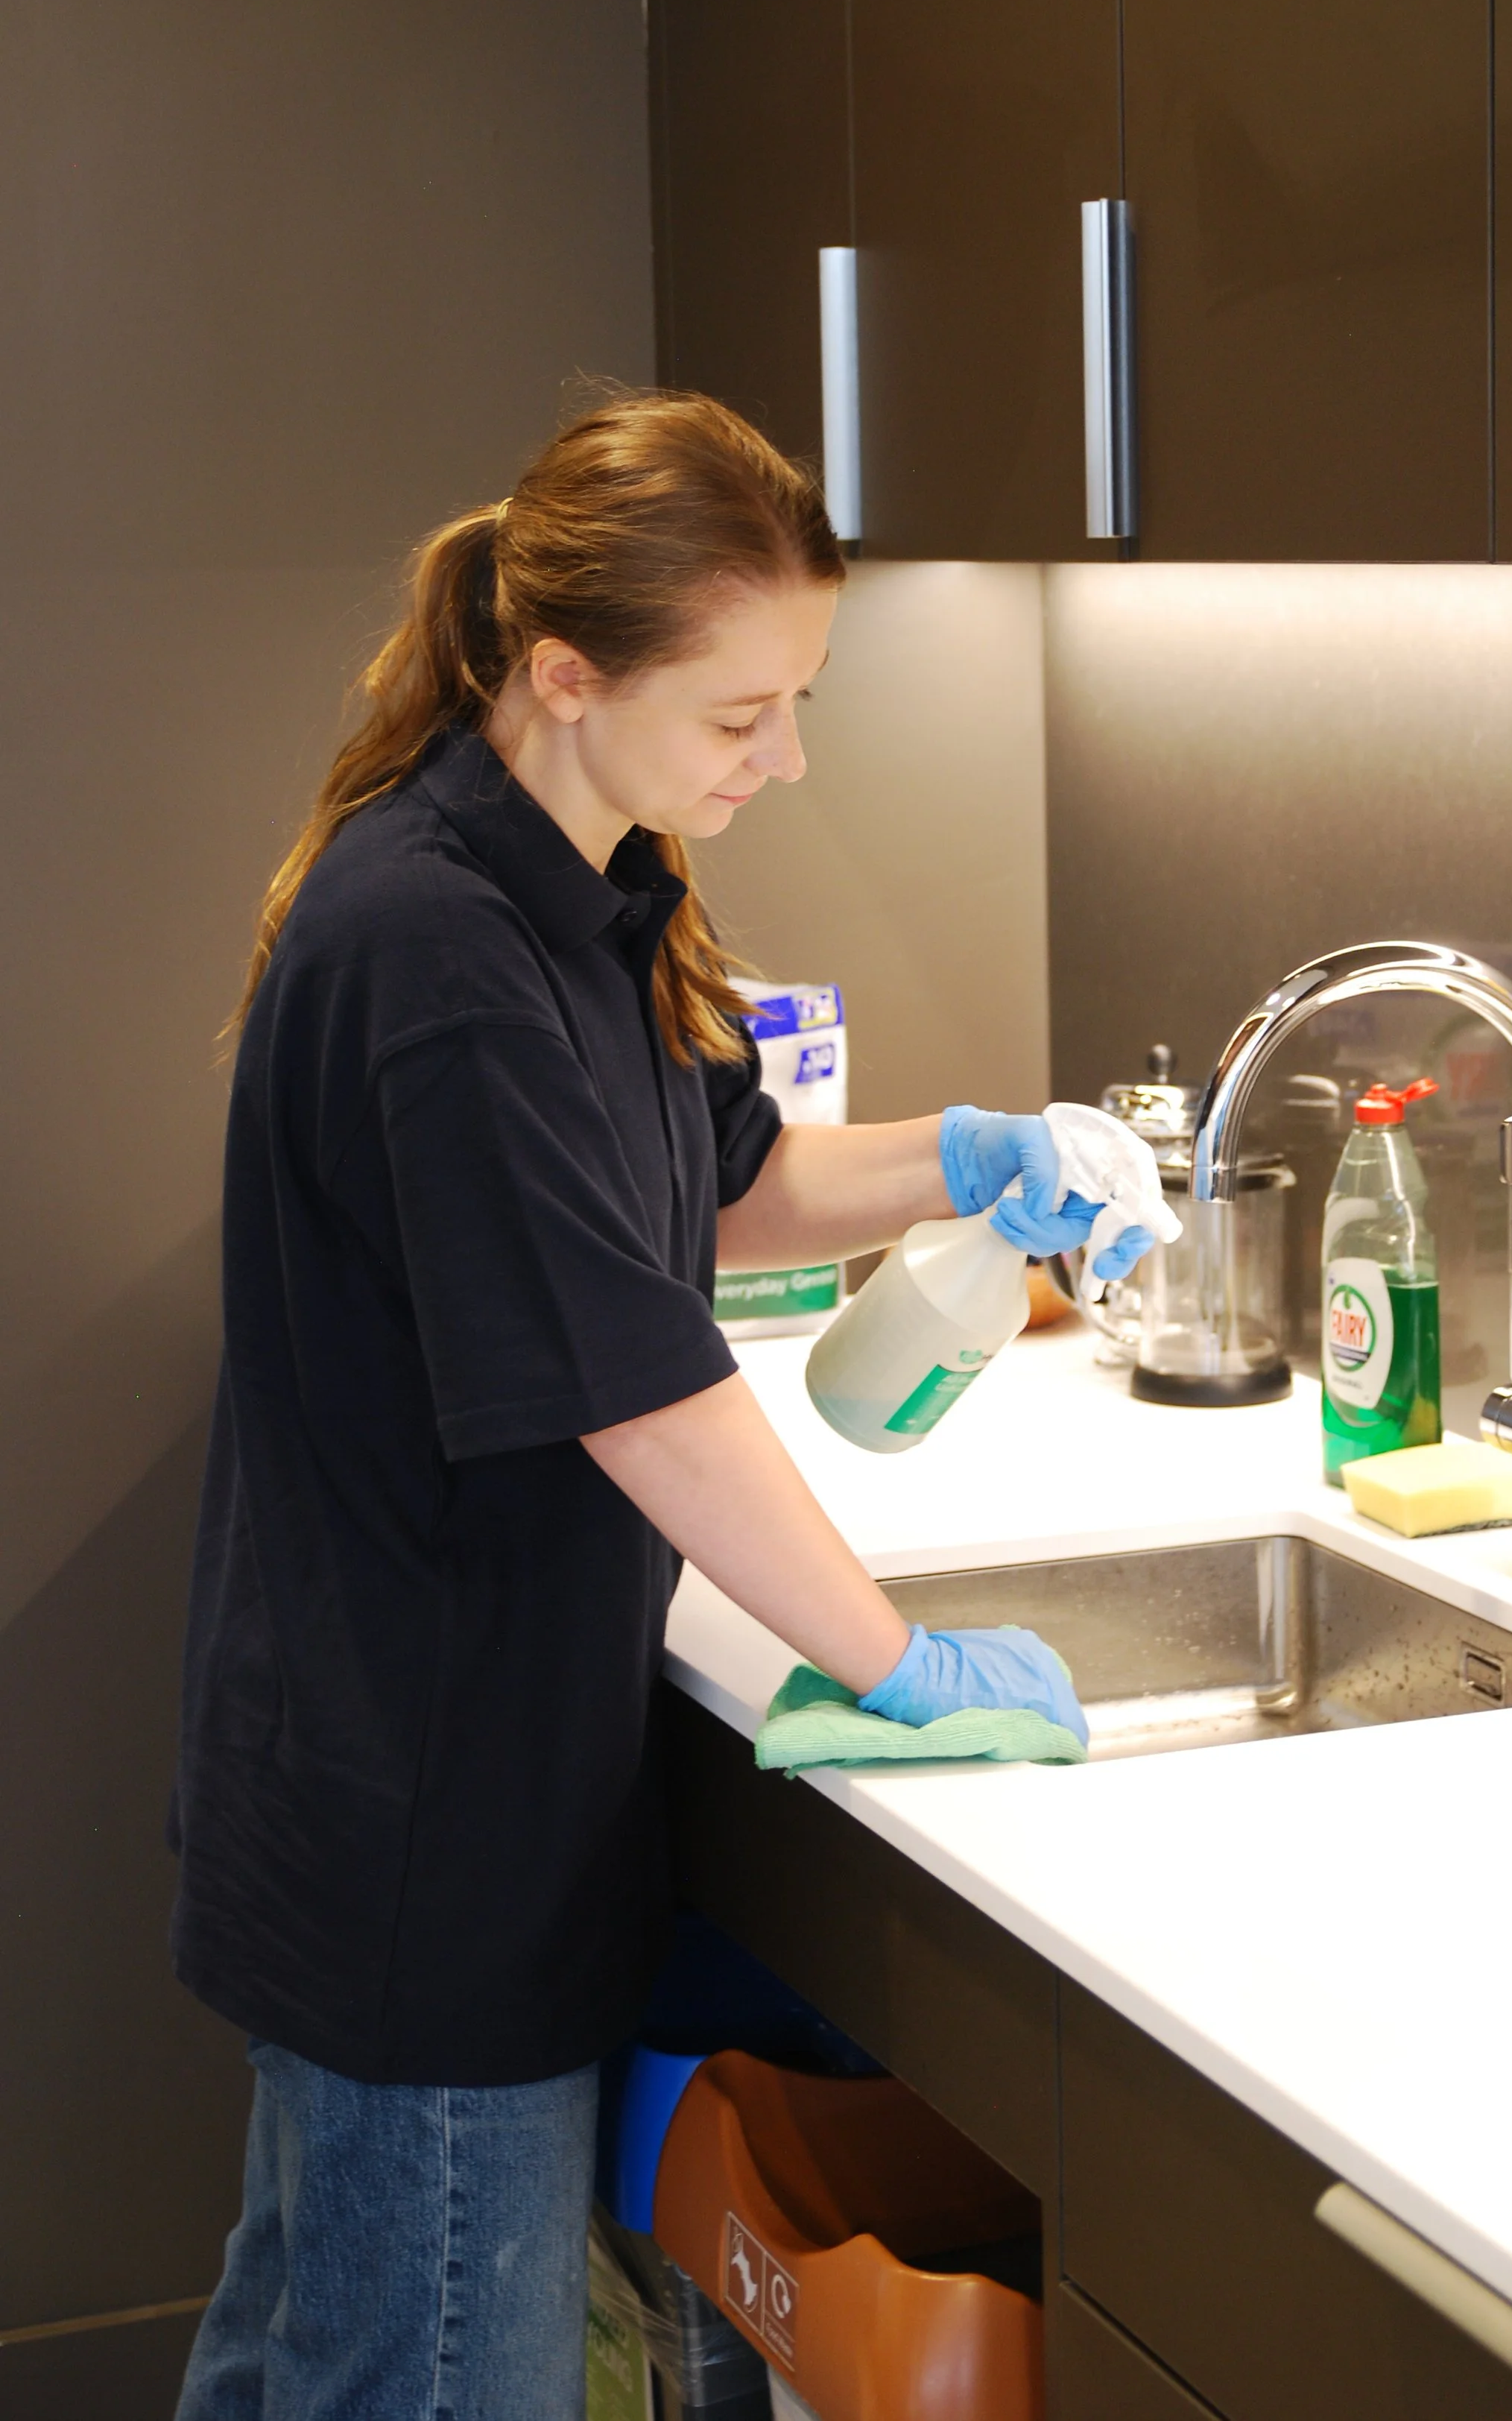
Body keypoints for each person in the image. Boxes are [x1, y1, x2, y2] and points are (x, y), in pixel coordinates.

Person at [170, 391, 1148, 2420]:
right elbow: (645, 1396)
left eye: (797, 700)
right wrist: (888, 1656)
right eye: (741, 714)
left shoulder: (568, 880)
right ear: (561, 675)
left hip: (399, 1795)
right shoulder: (438, 948)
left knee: (307, 2359)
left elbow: (723, 1181)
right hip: (424, 1840)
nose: (783, 755)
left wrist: (972, 1148)